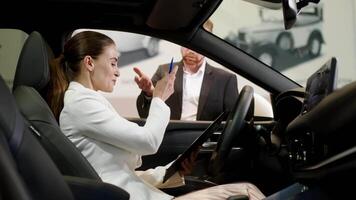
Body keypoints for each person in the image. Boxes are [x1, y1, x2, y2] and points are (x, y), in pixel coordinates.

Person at [47, 30, 265, 200]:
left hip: (138, 191)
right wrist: (159, 98)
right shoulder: (81, 104)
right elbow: (147, 142)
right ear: (89, 62)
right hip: (130, 195)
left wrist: (170, 171)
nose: (117, 71)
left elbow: (123, 168)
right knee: (249, 191)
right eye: (113, 62)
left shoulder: (87, 100)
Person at [136, 20, 238, 121]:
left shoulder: (225, 79)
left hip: (206, 135)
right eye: (187, 42)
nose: (191, 50)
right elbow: (145, 115)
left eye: (197, 43)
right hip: (170, 134)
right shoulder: (164, 71)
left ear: (208, 46)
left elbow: (232, 121)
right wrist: (149, 93)